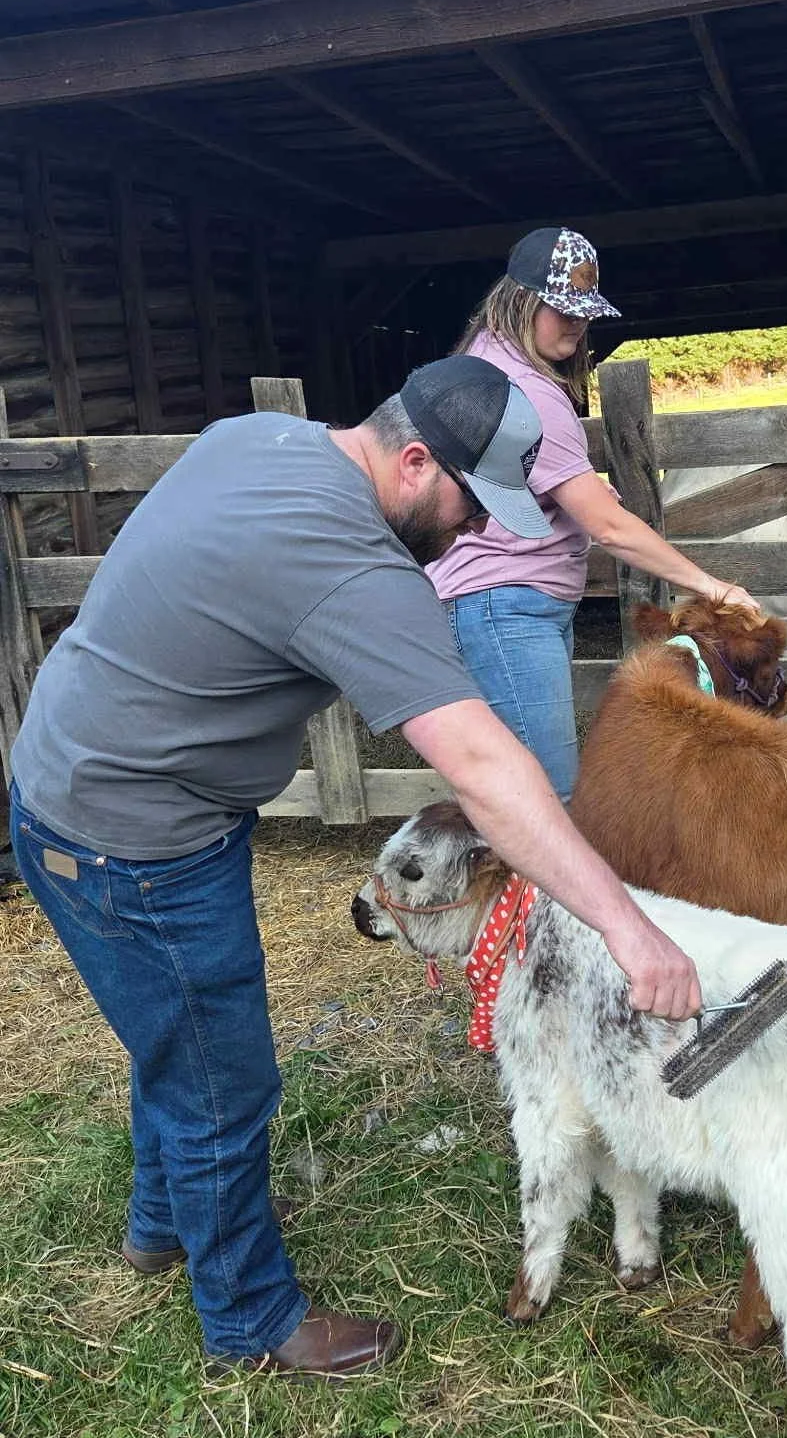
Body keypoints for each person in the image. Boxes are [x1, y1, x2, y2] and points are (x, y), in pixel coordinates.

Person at [8, 355, 701, 1381]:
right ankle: (245, 1315)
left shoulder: (261, 441)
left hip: (69, 783)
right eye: (474, 507)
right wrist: (627, 926)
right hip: (136, 835)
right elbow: (479, 765)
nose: (475, 534)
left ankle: (163, 1226)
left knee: (178, 1036)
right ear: (416, 459)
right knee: (220, 1077)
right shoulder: (350, 563)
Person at [429, 228, 760, 799]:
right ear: (520, 301)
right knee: (548, 795)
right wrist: (713, 587)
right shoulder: (525, 393)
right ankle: (540, 891)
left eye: (583, 311)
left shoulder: (479, 363)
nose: (577, 323)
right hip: (505, 603)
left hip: (497, 600)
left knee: (519, 781)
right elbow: (608, 527)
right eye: (560, 309)